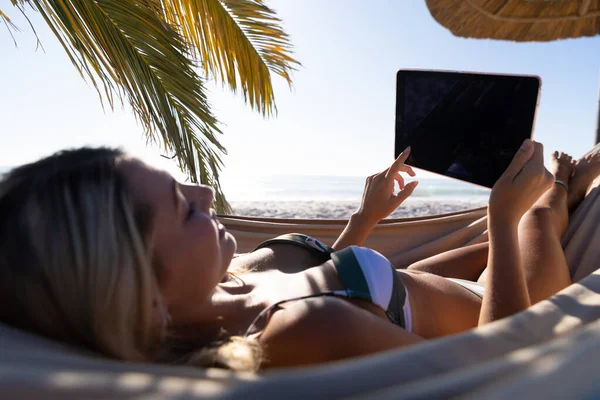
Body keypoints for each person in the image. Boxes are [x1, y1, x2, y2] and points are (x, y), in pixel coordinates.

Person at [0, 141, 599, 372]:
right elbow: (498, 366)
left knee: (512, 230)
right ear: (143, 297)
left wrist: (363, 222)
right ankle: (565, 191)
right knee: (542, 213)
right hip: (507, 307)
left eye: (183, 183)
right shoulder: (300, 332)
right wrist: (501, 212)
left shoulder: (220, 281)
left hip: (415, 280)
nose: (207, 195)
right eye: (183, 209)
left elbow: (320, 277)